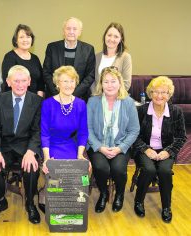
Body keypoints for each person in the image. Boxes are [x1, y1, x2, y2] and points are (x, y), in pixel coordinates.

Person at [0, 65, 43, 224]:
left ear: (29, 81)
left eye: (23, 80)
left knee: (31, 167)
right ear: (8, 82)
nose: (20, 84)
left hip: (26, 146)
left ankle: (30, 203)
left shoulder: (37, 101)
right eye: (16, 81)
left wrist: (31, 151)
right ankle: (0, 201)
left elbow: (37, 131)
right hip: (4, 146)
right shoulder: (0, 99)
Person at [133, 76, 186, 223]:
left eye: (164, 92)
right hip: (145, 150)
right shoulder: (141, 111)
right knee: (149, 170)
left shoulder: (176, 112)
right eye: (156, 92)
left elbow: (181, 137)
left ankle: (166, 207)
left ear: (169, 95)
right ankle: (138, 201)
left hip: (166, 150)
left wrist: (168, 152)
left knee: (164, 171)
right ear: (150, 93)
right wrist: (145, 149)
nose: (159, 96)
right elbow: (133, 135)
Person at [87, 66, 139, 213]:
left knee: (118, 169)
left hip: (120, 145)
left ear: (119, 83)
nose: (109, 85)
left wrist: (120, 148)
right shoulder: (93, 102)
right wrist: (100, 147)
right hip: (97, 145)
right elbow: (87, 129)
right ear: (101, 84)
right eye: (106, 82)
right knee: (101, 167)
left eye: (113, 81)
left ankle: (120, 195)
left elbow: (134, 130)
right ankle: (103, 194)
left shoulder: (128, 102)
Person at [41, 66, 88, 173]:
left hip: (70, 143)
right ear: (58, 83)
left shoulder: (81, 104)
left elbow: (83, 133)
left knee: (77, 169)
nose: (69, 85)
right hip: (50, 145)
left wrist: (80, 154)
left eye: (72, 81)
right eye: (65, 81)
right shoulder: (47, 104)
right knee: (56, 169)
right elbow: (45, 134)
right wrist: (46, 158)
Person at [43, 17, 95, 101]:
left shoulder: (88, 49)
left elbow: (90, 76)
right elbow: (46, 72)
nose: (71, 32)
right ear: (63, 31)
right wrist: (58, 94)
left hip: (79, 98)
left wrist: (73, 95)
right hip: (54, 97)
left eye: (75, 29)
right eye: (68, 28)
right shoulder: (52, 47)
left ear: (80, 32)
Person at [2, 24, 44, 97]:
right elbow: (8, 83)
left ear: (32, 39)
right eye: (21, 37)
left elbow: (41, 82)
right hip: (16, 101)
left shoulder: (35, 58)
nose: (25, 40)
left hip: (35, 101)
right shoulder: (9, 57)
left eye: (28, 37)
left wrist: (39, 99)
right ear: (16, 40)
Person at [91, 22, 132, 94]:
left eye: (116, 37)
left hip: (117, 100)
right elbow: (93, 81)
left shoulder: (126, 57)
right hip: (98, 99)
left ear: (120, 39)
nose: (112, 39)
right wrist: (97, 97)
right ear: (105, 36)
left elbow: (126, 84)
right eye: (109, 35)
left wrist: (111, 98)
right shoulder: (96, 57)